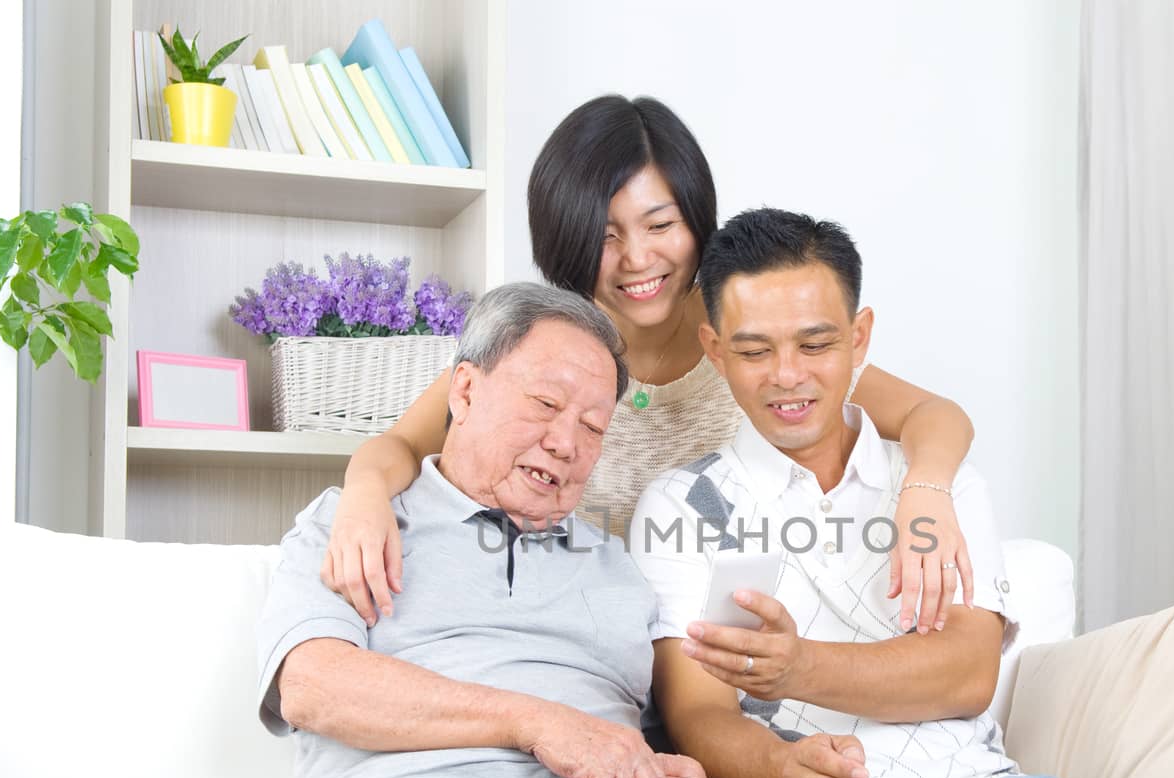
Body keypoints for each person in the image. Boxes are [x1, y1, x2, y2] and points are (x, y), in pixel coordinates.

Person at [631, 208, 1174, 778]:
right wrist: (783, 765)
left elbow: (963, 676)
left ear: (860, 337)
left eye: (816, 343)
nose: (788, 376)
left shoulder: (935, 488)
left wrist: (801, 664)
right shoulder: (694, 509)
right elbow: (701, 717)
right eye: (755, 350)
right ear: (715, 349)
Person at [256, 282, 746, 778]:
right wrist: (532, 721)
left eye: (593, 426)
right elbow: (314, 687)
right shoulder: (357, 520)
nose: (567, 443)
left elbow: (670, 730)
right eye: (545, 405)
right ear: (465, 389)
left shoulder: (622, 569)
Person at [322, 94, 977, 638]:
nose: (638, 259)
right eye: (605, 236)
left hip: (718, 661)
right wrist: (363, 498)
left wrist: (928, 491)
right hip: (582, 649)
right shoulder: (547, 349)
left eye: (660, 225)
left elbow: (933, 415)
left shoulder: (748, 338)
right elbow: (401, 445)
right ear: (567, 240)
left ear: (697, 221)